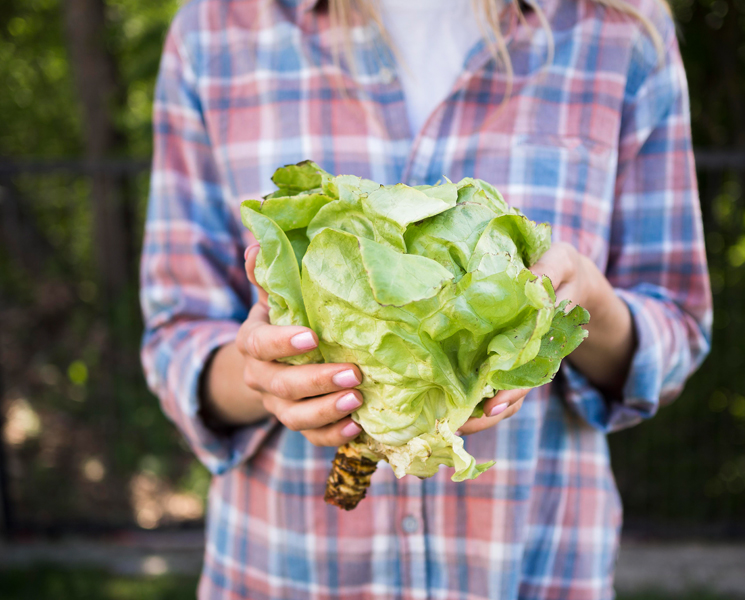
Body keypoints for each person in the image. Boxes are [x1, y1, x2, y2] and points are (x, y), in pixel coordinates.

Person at [140, 0, 712, 597]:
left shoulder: (619, 26)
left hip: (531, 567)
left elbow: (677, 325)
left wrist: (586, 304)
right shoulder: (216, 29)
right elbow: (176, 338)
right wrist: (260, 374)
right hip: (288, 570)